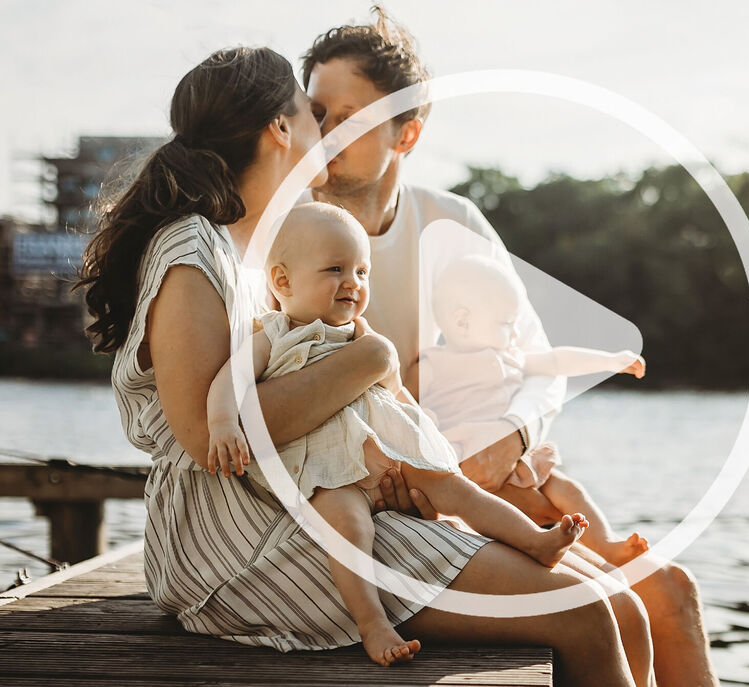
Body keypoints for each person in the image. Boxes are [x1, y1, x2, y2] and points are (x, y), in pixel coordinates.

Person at [77, 46, 642, 686]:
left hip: (299, 501)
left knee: (618, 603)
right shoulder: (193, 249)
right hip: (233, 544)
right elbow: (212, 442)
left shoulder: (250, 249)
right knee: (586, 613)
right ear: (281, 128)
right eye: (312, 112)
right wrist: (370, 358)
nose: (327, 131)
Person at [302, 8, 719, 686]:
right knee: (613, 607)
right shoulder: (287, 240)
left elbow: (538, 364)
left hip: (489, 479)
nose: (321, 135)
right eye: (315, 111)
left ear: (406, 132)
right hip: (390, 507)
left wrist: (514, 437)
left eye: (346, 117)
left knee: (670, 590)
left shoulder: (453, 220)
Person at [206, 203, 589, 666]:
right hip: (329, 474)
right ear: (282, 281)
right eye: (335, 269)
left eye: (362, 271)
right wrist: (223, 424)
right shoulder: (273, 335)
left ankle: (534, 540)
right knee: (347, 529)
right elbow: (229, 381)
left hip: (386, 457)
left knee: (458, 490)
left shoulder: (361, 334)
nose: (354, 282)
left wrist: (428, 444)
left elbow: (400, 396)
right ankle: (372, 623)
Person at [422, 254, 649, 566]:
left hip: (512, 463)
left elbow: (557, 361)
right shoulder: (433, 365)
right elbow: (407, 405)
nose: (516, 335)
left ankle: (605, 544)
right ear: (462, 321)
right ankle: (534, 542)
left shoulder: (512, 356)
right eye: (507, 325)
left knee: (567, 489)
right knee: (485, 508)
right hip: (464, 465)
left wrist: (610, 362)